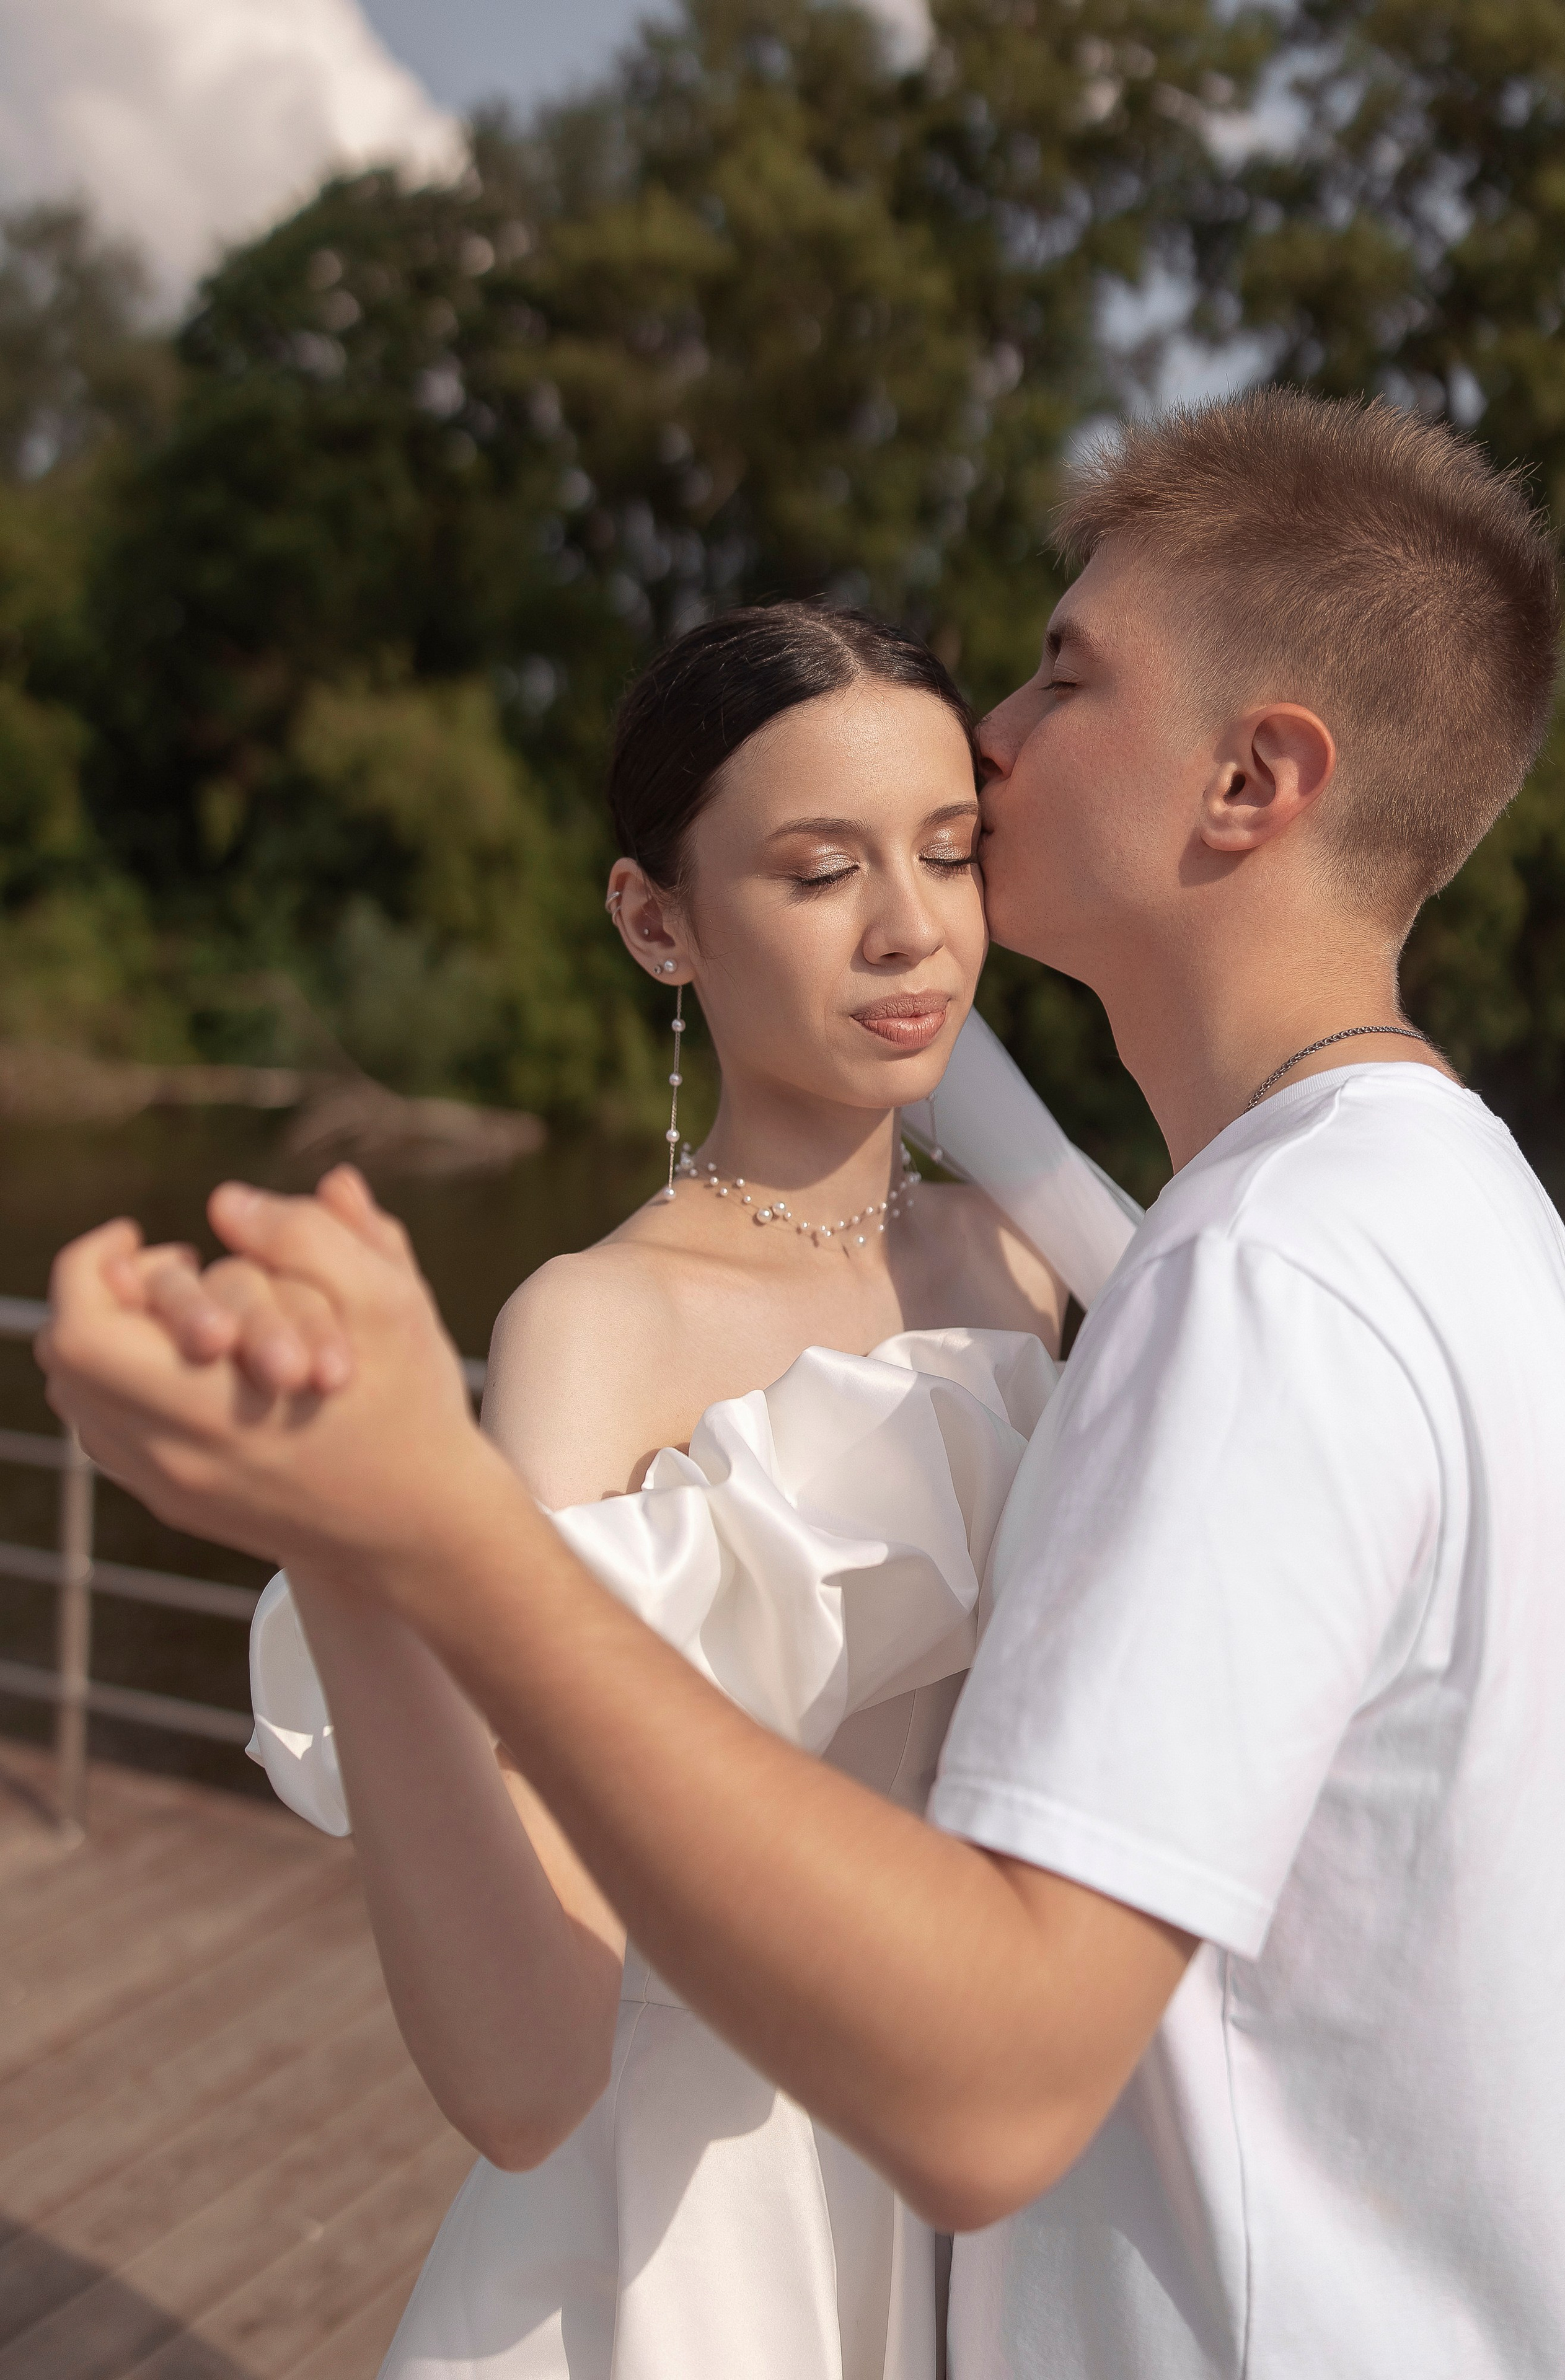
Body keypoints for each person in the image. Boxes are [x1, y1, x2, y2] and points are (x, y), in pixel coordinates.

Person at [41, 389, 1565, 2380]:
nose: (1003, 753)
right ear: (656, 920)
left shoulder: (1230, 1277)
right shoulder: (1458, 1217)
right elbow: (529, 2044)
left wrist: (405, 1513)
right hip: (727, 2261)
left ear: (1253, 779)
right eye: (820, 865)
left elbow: (1003, 2059)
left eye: (1058, 675)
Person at [119, 601, 1129, 2380]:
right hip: (695, 2225)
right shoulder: (597, 1324)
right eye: (820, 873)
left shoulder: (1028, 1264)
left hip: (1005, 2184)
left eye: (950, 854)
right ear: (658, 919)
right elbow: (525, 1983)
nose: (913, 931)